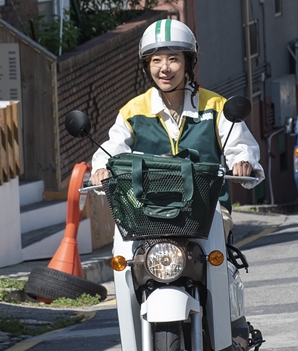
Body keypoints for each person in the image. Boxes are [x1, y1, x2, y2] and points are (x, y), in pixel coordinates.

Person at [90, 19, 264, 236]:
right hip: (147, 211)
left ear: (188, 62)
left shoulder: (216, 106)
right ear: (147, 66)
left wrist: (243, 162)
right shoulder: (132, 112)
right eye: (156, 60)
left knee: (216, 241)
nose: (164, 68)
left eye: (173, 59)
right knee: (122, 250)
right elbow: (112, 149)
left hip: (208, 211)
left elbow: (240, 144)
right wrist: (100, 169)